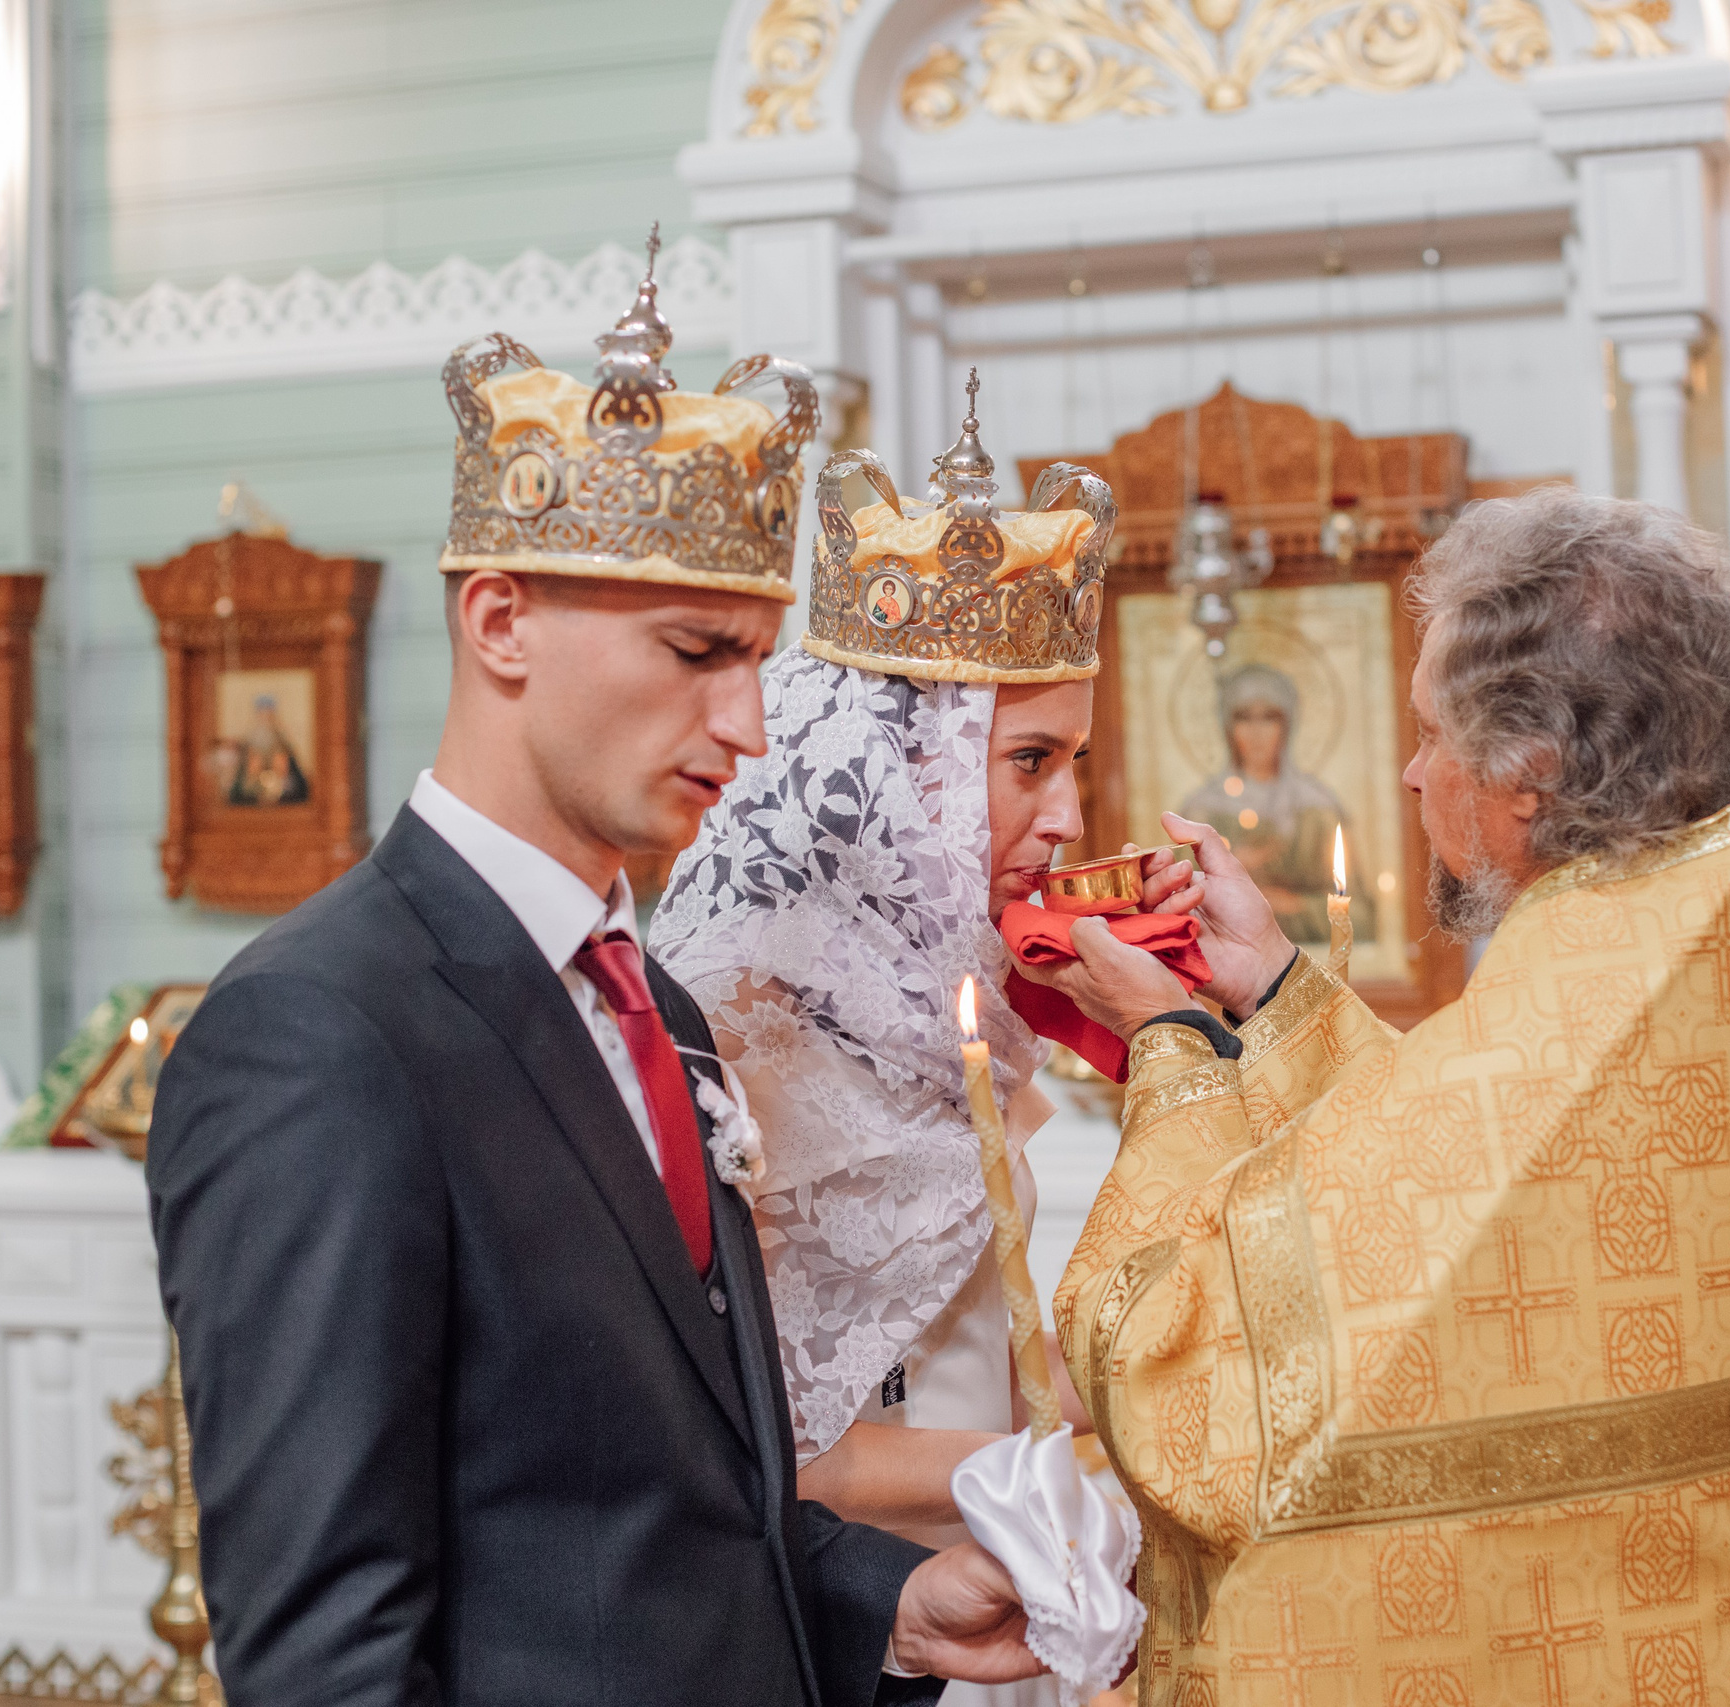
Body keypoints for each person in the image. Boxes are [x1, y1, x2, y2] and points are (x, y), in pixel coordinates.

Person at [148, 252, 1037, 1707]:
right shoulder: (317, 1033)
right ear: (501, 621)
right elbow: (329, 1654)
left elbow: (673, 1505)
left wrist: (886, 1601)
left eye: (757, 659)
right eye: (697, 652)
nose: (748, 723)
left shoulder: (659, 1004)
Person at [1020, 487, 1730, 1703]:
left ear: (1529, 773)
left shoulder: (1585, 1012)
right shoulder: (1719, 981)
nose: (1410, 775)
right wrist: (1277, 994)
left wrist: (1171, 1042)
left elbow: (1182, 1380)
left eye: (1431, 733)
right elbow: (1476, 1187)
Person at [653, 396, 1115, 1630]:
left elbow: (1001, 1344)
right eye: (1030, 761)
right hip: (849, 1613)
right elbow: (753, 1445)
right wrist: (1054, 1471)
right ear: (896, 771)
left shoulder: (954, 1006)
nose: (1066, 815)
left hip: (1009, 1582)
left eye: (1073, 760)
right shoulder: (728, 1024)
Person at [1175, 663, 1367, 945]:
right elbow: (1179, 910)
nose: (1256, 732)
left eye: (1269, 718)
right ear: (1228, 726)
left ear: (1288, 724)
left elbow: (1360, 915)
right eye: (1244, 718)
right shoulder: (1201, 810)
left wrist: (1292, 905)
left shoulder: (1318, 810)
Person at [224, 694, 311, 805]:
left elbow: (299, 786)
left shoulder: (281, 739)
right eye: (262, 713)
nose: (265, 717)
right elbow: (238, 789)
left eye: (269, 713)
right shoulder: (249, 741)